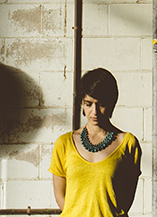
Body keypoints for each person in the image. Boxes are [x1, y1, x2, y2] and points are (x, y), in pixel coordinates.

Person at [51, 68, 141, 217]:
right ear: (81, 103)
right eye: (88, 104)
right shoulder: (64, 143)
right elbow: (61, 198)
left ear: (112, 103)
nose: (94, 112)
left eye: (101, 104)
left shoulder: (128, 143)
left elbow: (126, 199)